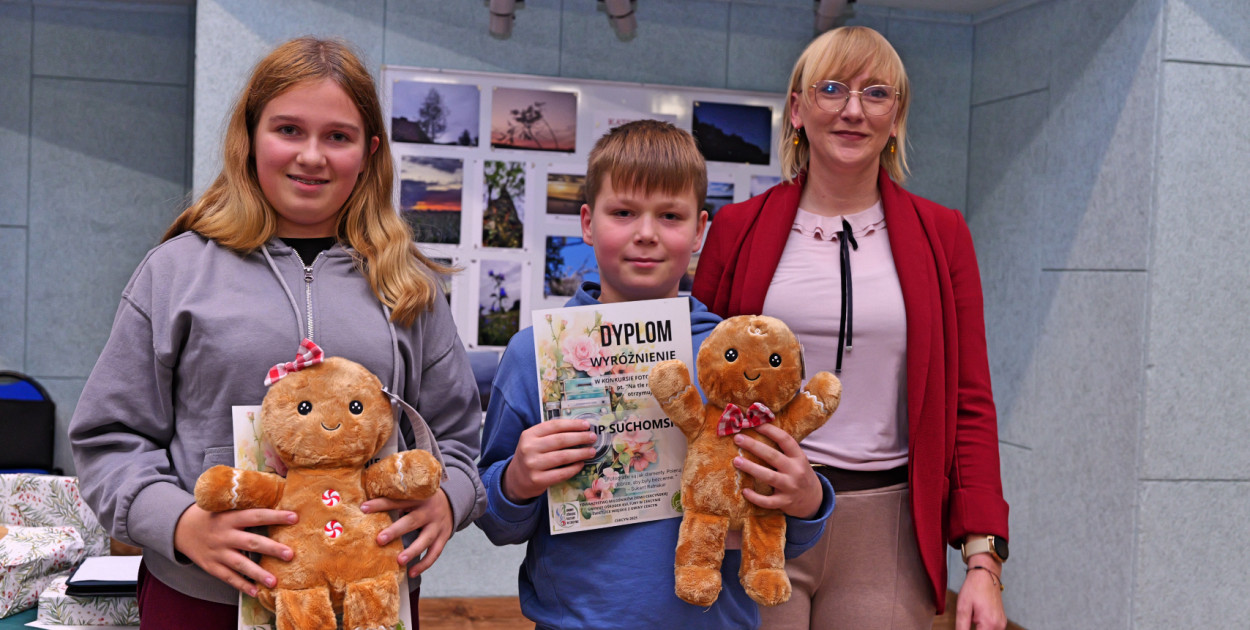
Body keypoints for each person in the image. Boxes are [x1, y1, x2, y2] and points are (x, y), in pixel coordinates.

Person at [68, 37, 486, 628]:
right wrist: (181, 524)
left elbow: (460, 441)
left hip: (365, 600)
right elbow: (109, 438)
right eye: (288, 129)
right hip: (201, 597)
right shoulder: (176, 272)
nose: (312, 155)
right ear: (250, 137)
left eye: (337, 136)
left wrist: (449, 499)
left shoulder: (407, 284)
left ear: (367, 153)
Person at [693, 26, 1009, 630]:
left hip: (887, 528)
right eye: (832, 89)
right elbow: (702, 384)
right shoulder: (737, 230)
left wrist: (983, 562)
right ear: (797, 109)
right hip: (756, 510)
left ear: (897, 118)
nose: (853, 110)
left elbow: (969, 403)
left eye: (877, 94)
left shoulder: (943, 237)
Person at [474, 119, 836, 630]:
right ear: (586, 223)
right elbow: (493, 517)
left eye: (670, 215)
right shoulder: (534, 353)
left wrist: (808, 498)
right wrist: (515, 480)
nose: (645, 233)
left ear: (699, 232)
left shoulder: (737, 356)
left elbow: (785, 527)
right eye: (623, 213)